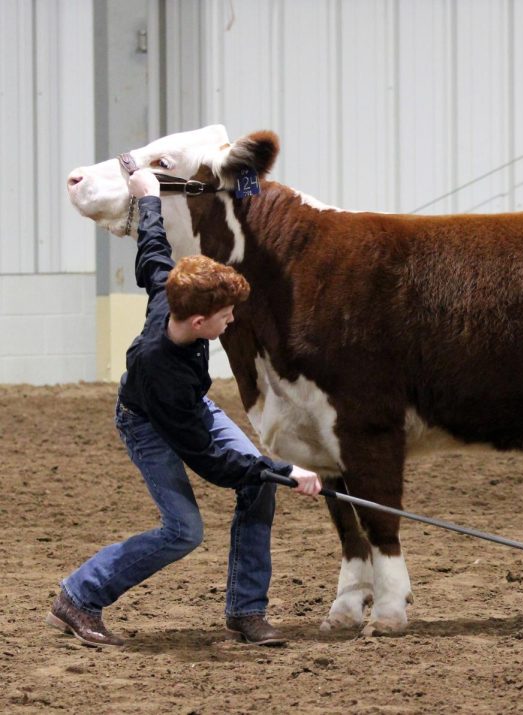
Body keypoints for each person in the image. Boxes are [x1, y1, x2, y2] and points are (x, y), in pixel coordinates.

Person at [47, 168, 321, 648]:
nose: (232, 320)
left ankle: (246, 610)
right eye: (226, 316)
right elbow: (212, 460)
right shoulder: (161, 370)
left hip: (190, 406)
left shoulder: (167, 293)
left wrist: (148, 198)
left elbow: (152, 249)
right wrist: (284, 470)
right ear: (198, 321)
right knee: (184, 530)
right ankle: (78, 596)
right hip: (149, 423)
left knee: (258, 486)